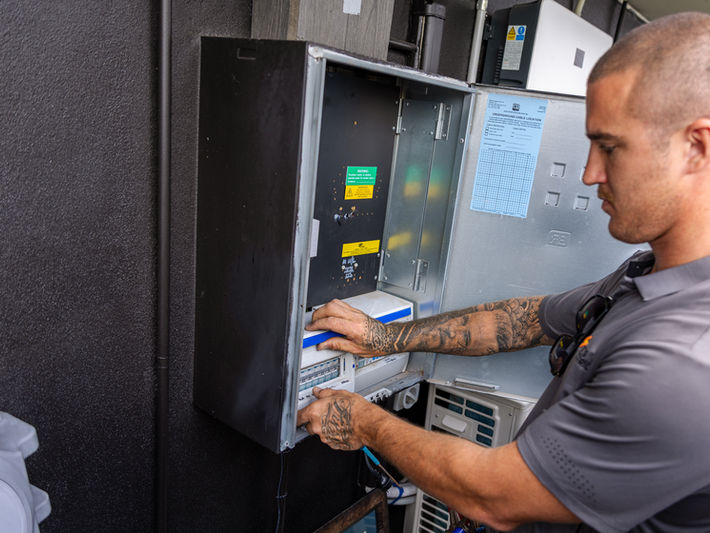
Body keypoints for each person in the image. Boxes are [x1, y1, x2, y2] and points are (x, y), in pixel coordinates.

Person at [297, 12, 710, 533]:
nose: (588, 174)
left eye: (610, 146)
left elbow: (494, 496)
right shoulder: (648, 273)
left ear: (697, 146)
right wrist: (384, 336)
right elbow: (523, 319)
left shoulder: (688, 357)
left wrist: (362, 420)